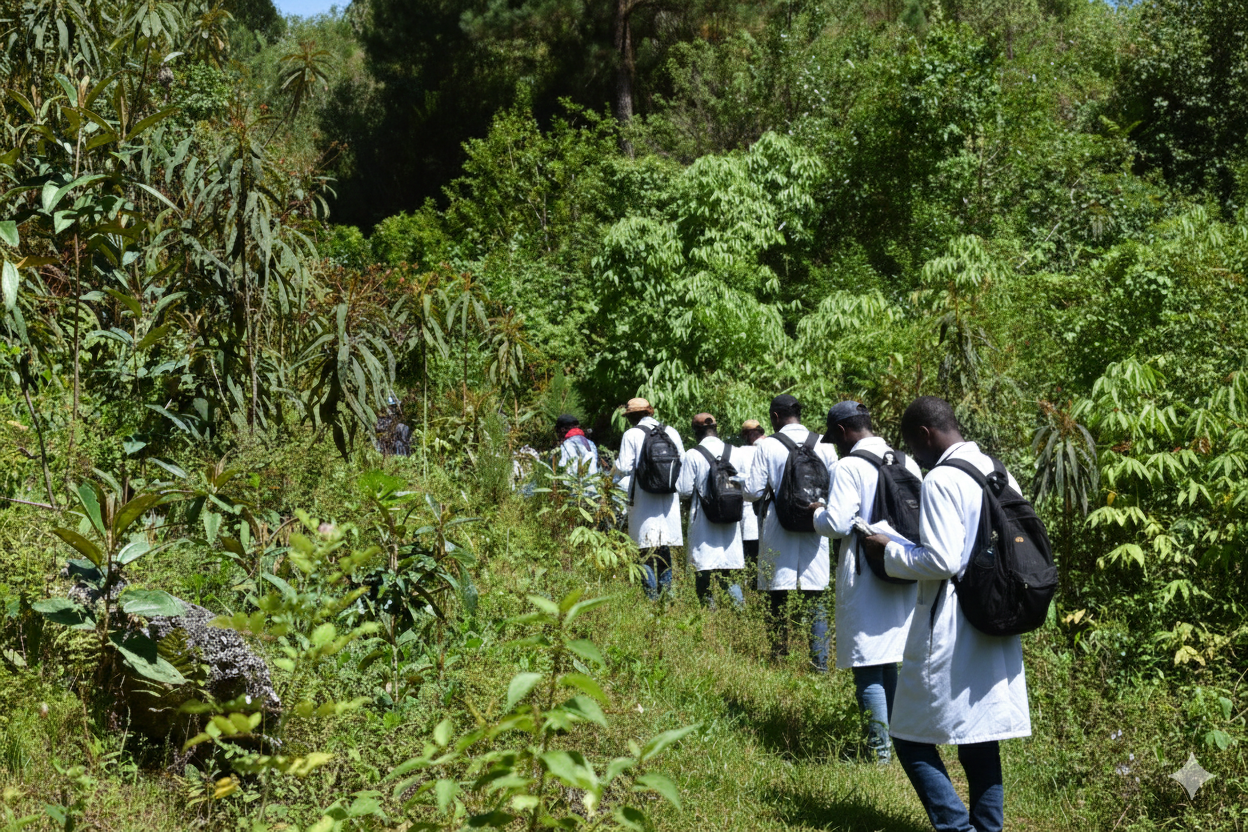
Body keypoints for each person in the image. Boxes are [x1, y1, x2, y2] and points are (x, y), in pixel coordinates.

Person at [861, 396, 1031, 832]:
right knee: (979, 736)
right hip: (996, 614)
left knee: (907, 735)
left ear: (925, 435)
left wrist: (890, 548)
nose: (915, 457)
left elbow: (941, 560)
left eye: (913, 446)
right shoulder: (997, 470)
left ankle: (956, 827)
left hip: (951, 622)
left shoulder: (941, 479)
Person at [811, 401, 921, 765]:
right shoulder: (906, 461)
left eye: (835, 438)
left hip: (865, 574)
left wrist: (818, 514)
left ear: (843, 431)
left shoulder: (850, 466)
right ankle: (897, 744)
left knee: (866, 663)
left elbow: (839, 524)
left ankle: (879, 752)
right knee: (889, 659)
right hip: (903, 569)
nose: (837, 446)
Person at [744, 394, 837, 670]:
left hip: (779, 526)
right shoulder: (824, 443)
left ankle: (778, 657)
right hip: (815, 524)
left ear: (774, 417)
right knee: (816, 598)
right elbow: (835, 487)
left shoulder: (767, 446)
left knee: (776, 594)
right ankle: (819, 664)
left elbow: (753, 492)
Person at [613, 398, 685, 599]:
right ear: (649, 412)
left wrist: (612, 472)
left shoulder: (631, 434)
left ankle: (651, 596)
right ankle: (667, 595)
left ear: (632, 417)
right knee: (663, 547)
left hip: (643, 500)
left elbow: (625, 467)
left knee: (644, 549)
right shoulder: (671, 432)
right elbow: (683, 462)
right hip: (668, 500)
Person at [677, 413, 745, 608]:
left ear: (696, 432)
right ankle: (738, 615)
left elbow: (684, 490)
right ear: (716, 429)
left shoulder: (693, 454)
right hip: (731, 521)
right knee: (729, 574)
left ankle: (708, 617)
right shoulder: (735, 452)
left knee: (703, 572)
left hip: (703, 523)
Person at [737, 419, 766, 574]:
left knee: (750, 561)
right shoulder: (774, 448)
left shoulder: (741, 452)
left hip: (748, 514)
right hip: (772, 516)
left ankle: (751, 594)